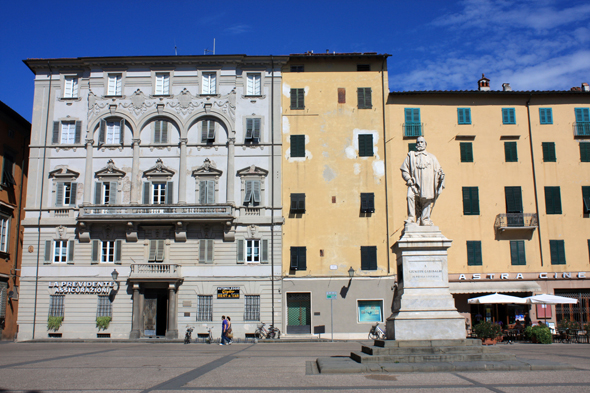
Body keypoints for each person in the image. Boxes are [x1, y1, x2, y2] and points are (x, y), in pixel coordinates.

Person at [400, 136, 445, 226]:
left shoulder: (432, 157)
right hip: (414, 183)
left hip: (427, 183)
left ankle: (425, 219)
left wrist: (441, 176)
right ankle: (411, 218)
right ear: (416, 145)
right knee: (410, 196)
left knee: (426, 200)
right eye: (418, 142)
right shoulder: (411, 156)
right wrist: (408, 179)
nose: (420, 144)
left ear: (425, 144)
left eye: (422, 142)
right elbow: (404, 169)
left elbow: (438, 170)